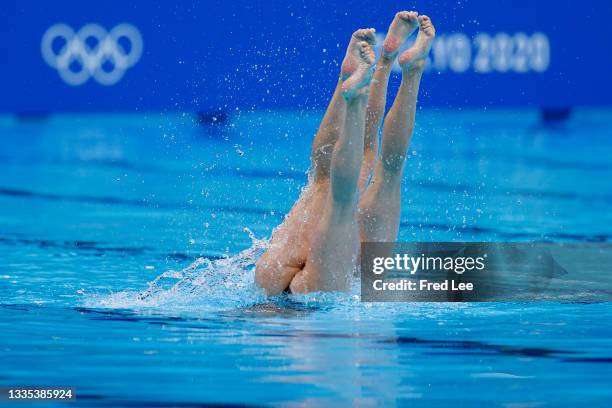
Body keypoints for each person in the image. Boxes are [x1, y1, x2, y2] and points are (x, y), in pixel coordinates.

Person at [255, 12, 436, 294]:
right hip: (324, 282)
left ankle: (359, 84)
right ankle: (404, 71)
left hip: (279, 277)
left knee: (333, 186)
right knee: (375, 178)